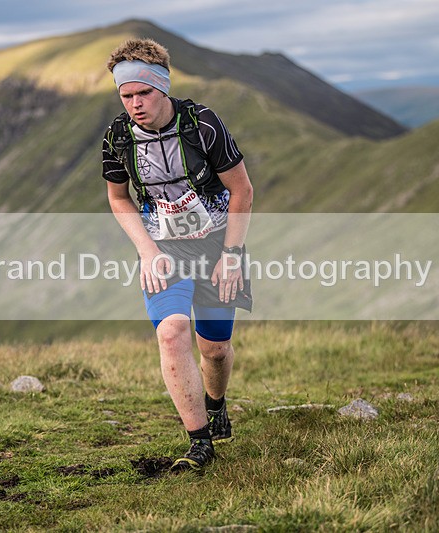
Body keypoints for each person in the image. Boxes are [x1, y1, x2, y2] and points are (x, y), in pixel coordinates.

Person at [101, 38, 254, 471]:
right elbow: (118, 197)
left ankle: (217, 401)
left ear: (163, 88)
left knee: (215, 349)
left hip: (218, 242)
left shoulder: (202, 124)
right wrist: (147, 251)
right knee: (170, 332)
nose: (135, 104)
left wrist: (232, 254)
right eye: (126, 96)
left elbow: (241, 190)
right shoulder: (117, 136)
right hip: (163, 246)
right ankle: (199, 441)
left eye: (143, 93)